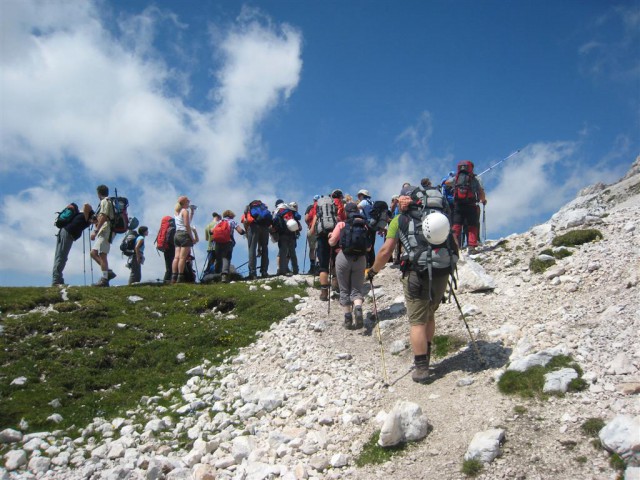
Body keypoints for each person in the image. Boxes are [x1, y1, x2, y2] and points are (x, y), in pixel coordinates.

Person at [367, 185, 458, 384]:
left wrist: (373, 271)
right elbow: (454, 242)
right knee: (430, 314)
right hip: (441, 271)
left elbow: (385, 251)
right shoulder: (438, 214)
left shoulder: (399, 220)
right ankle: (427, 354)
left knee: (417, 321)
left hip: (416, 274)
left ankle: (422, 367)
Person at [329, 202, 370, 329]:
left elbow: (331, 243)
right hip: (360, 259)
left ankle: (348, 318)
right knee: (357, 289)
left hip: (343, 258)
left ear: (346, 212)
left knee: (344, 289)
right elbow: (368, 248)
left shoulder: (341, 224)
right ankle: (358, 307)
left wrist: (330, 236)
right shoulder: (364, 226)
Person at [308, 189, 346, 300]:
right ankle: (336, 285)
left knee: (323, 265)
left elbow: (314, 221)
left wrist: (311, 231)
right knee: (335, 261)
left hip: (321, 235)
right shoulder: (336, 204)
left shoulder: (317, 206)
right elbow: (342, 218)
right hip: (334, 234)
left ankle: (324, 293)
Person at [446, 160, 486, 251]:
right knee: (472, 225)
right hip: (471, 205)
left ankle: (454, 246)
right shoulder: (476, 178)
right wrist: (483, 200)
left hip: (458, 205)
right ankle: (472, 245)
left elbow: (447, 183)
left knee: (456, 225)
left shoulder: (457, 178)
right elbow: (481, 191)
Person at [52, 203, 94, 286]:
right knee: (61, 256)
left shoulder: (85, 218)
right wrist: (92, 213)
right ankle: (56, 281)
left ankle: (58, 279)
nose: (95, 221)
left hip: (66, 234)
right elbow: (86, 205)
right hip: (67, 233)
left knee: (61, 256)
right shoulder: (86, 216)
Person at [90, 185, 116, 287]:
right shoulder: (108, 201)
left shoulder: (105, 201)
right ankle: (107, 272)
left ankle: (105, 279)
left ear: (98, 193)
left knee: (102, 254)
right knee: (94, 253)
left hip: (106, 230)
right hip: (106, 230)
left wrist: (95, 231)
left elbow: (104, 216)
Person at [242, 201, 271, 279]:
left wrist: (247, 233)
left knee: (252, 249)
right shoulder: (263, 207)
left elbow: (245, 221)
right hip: (265, 228)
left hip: (254, 227)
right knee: (265, 249)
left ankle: (253, 273)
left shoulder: (248, 207)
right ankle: (264, 272)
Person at [214, 210, 245, 282]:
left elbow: (212, 231)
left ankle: (216, 275)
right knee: (226, 258)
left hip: (218, 242)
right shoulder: (233, 221)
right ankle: (224, 275)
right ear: (232, 215)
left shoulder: (219, 221)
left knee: (218, 258)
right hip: (228, 242)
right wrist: (244, 232)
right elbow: (240, 231)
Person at [171, 196, 196, 283]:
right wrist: (192, 238)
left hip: (177, 234)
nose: (189, 202)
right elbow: (187, 225)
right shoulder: (185, 211)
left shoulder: (177, 211)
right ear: (185, 202)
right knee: (182, 258)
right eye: (188, 201)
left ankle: (173, 276)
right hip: (184, 235)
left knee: (176, 257)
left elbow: (185, 222)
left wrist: (192, 213)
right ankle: (180, 276)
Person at [273, 202, 302, 275]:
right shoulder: (291, 210)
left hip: (283, 234)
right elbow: (299, 217)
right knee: (292, 253)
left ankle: (282, 271)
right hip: (292, 234)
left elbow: (275, 220)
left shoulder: (279, 211)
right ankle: (296, 270)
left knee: (283, 253)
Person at [356, 189, 376, 268]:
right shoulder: (372, 202)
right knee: (372, 244)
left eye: (359, 196)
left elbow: (357, 207)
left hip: (366, 225)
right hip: (373, 225)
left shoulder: (364, 202)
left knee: (366, 244)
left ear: (362, 195)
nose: (358, 197)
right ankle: (372, 263)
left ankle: (366, 263)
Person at [304, 195, 320, 274]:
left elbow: (306, 219)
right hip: (320, 230)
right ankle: (318, 265)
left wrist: (309, 226)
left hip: (311, 229)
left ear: (313, 200)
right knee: (319, 248)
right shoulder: (322, 207)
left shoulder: (310, 207)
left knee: (312, 249)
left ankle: (312, 266)